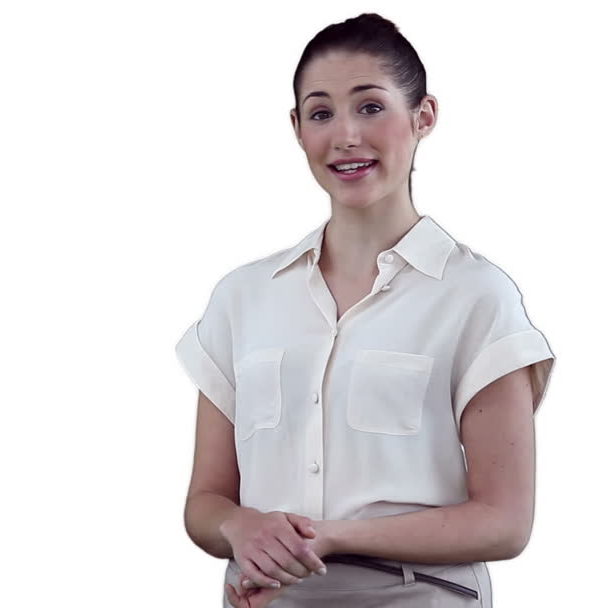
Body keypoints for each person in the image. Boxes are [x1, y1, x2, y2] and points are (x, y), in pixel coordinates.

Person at [175, 13, 556, 608]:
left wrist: (328, 538)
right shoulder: (241, 297)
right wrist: (240, 527)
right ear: (297, 128)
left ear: (424, 116)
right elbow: (205, 503)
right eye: (321, 113)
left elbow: (505, 522)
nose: (346, 135)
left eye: (371, 107)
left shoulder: (477, 297)